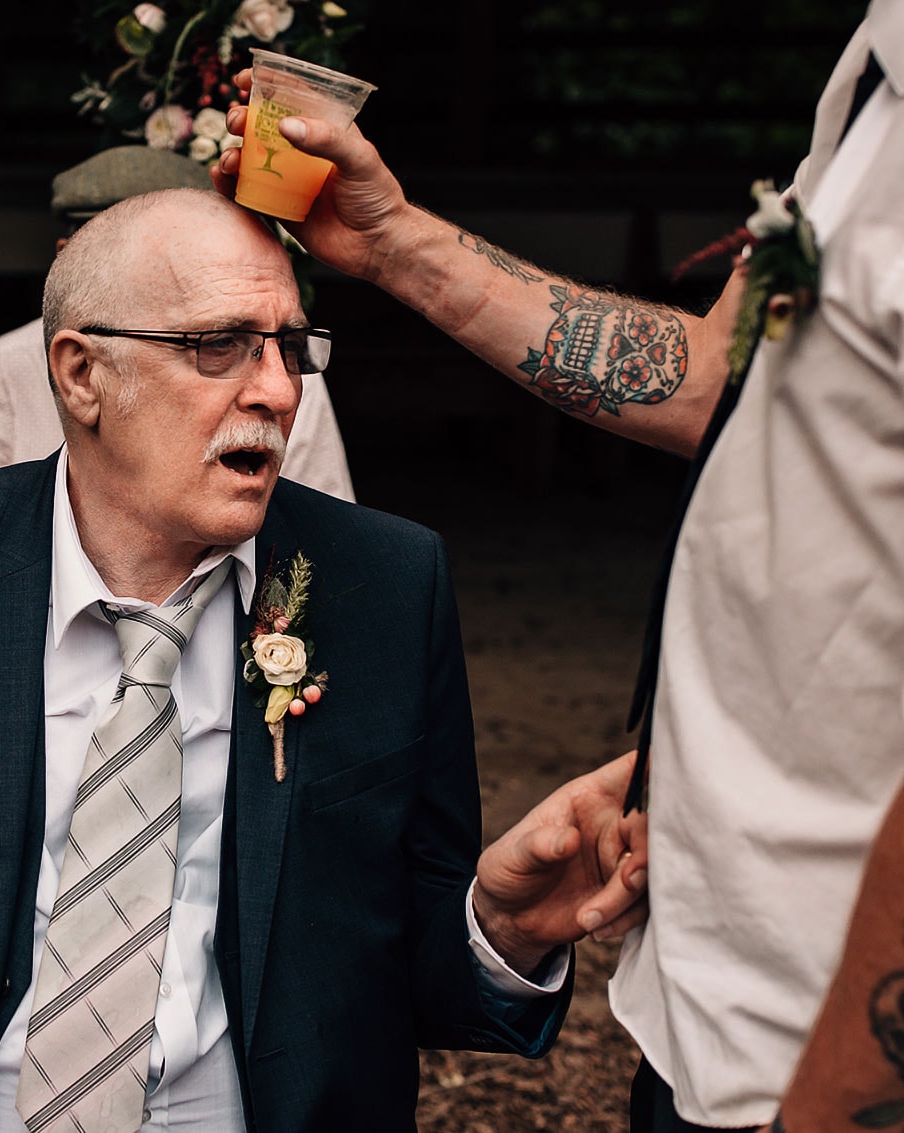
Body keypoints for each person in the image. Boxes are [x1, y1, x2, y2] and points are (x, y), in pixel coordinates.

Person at [0, 188, 647, 1131]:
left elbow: (389, 972)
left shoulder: (380, 586)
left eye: (288, 347)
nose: (274, 389)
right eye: (215, 344)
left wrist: (499, 925)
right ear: (80, 373)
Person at [211, 4, 902, 1128]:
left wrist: (835, 1097)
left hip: (835, 1055)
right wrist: (389, 240)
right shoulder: (876, 73)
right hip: (718, 1009)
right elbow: (705, 378)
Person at [0, 144, 356, 502]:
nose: (277, 392)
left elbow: (328, 537)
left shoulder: (282, 369)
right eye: (216, 343)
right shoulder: (2, 368)